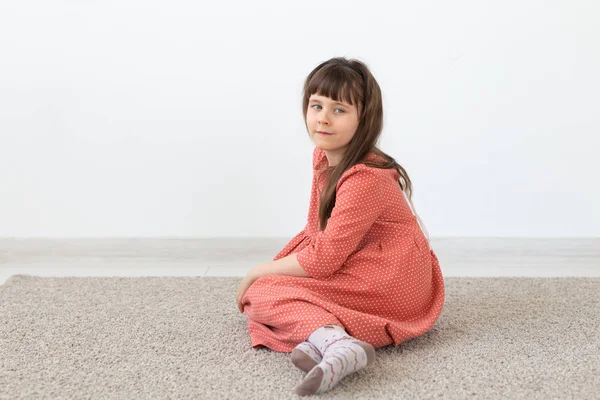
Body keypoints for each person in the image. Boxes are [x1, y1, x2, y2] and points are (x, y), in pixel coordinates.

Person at [235, 57, 445, 396]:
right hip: (375, 266)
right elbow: (315, 233)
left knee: (262, 293)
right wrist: (281, 271)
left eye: (339, 110)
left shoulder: (364, 177)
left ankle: (333, 341)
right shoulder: (326, 157)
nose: (322, 118)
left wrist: (257, 272)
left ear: (365, 119)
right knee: (275, 289)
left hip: (392, 280)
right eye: (316, 105)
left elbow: (323, 259)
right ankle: (330, 342)